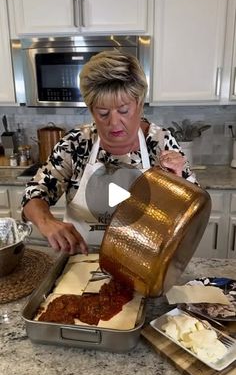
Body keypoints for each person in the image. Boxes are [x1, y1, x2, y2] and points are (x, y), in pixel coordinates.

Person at [22, 50, 196, 255]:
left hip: (143, 263)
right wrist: (46, 221)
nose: (113, 123)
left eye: (123, 110)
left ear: (140, 104)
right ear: (90, 109)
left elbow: (190, 213)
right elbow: (34, 193)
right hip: (81, 261)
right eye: (102, 113)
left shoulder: (160, 142)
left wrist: (178, 187)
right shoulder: (76, 144)